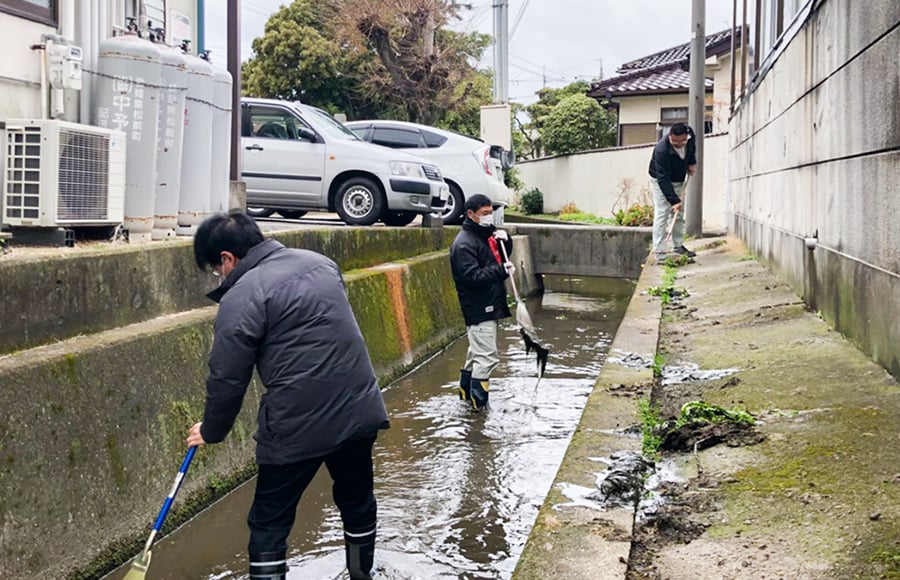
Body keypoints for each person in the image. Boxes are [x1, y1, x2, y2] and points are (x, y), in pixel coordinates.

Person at [185, 211, 389, 580]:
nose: (219, 277)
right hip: (359, 409)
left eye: (216, 269)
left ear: (228, 259)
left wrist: (212, 430)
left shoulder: (242, 295)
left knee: (268, 522)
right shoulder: (321, 264)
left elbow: (227, 378)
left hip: (297, 424)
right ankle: (362, 575)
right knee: (357, 501)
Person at [449, 194, 514, 411]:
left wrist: (507, 241)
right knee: (486, 359)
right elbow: (472, 277)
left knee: (475, 356)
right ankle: (479, 411)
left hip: (489, 303)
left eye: (490, 213)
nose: (489, 218)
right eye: (485, 214)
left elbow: (498, 256)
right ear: (471, 214)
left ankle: (466, 402)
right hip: (479, 307)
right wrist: (500, 270)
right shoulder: (463, 245)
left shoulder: (484, 235)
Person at [648, 123, 698, 260]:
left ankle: (678, 245)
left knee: (679, 214)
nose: (678, 144)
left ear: (686, 137)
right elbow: (662, 179)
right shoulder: (661, 150)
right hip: (660, 181)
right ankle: (659, 252)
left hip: (679, 178)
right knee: (662, 213)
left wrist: (691, 162)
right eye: (674, 142)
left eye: (681, 142)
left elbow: (692, 148)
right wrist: (674, 200)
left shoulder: (690, 135)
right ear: (669, 136)